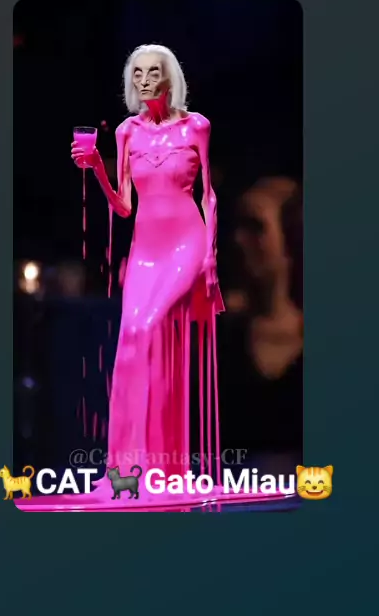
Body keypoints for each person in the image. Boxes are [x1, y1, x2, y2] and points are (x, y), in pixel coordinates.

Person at [71, 44, 224, 504]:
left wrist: (210, 258)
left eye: (153, 71)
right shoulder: (126, 131)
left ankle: (165, 464)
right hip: (145, 249)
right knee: (132, 336)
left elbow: (209, 196)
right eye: (136, 73)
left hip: (186, 243)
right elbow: (123, 205)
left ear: (168, 77)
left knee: (154, 326)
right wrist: (96, 169)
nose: (143, 79)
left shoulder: (196, 126)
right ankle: (130, 468)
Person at [217, 177, 303, 461]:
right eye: (238, 226)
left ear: (290, 240)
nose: (238, 240)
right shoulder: (218, 339)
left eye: (255, 227)